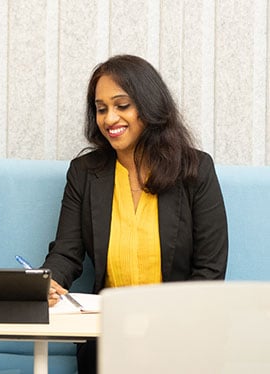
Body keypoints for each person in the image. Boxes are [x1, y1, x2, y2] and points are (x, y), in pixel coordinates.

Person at [41, 55, 228, 374]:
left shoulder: (195, 170)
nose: (109, 118)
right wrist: (48, 282)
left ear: (149, 106)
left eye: (121, 105)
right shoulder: (85, 173)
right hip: (109, 328)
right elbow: (66, 253)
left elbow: (210, 269)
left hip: (180, 326)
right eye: (101, 109)